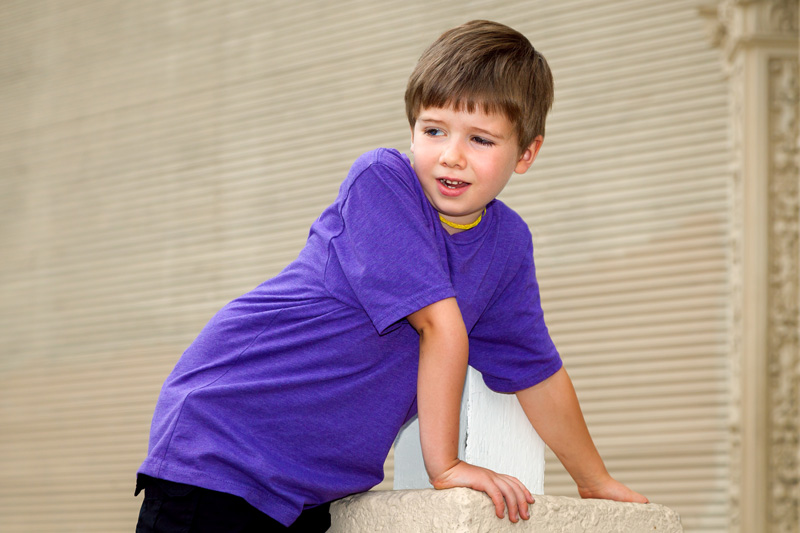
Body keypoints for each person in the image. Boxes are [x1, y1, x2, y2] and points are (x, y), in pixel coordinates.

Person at [135, 19, 648, 532]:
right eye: (434, 130)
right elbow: (440, 327)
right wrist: (445, 467)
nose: (452, 154)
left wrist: (593, 479)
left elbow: (537, 371)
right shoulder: (382, 182)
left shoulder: (506, 245)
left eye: (481, 139)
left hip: (310, 490)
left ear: (527, 153)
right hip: (226, 443)